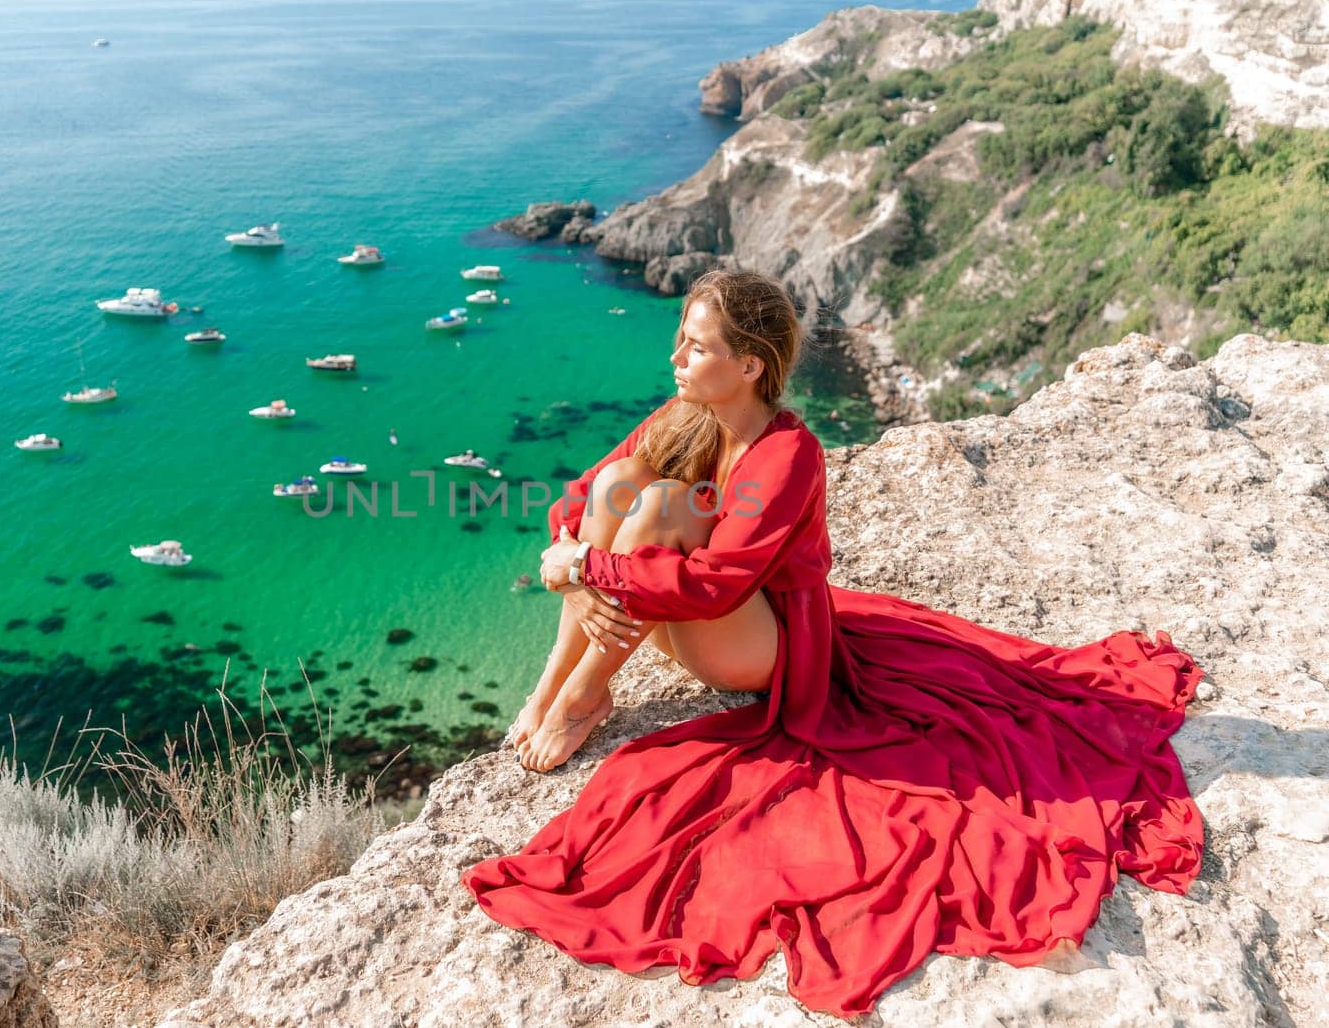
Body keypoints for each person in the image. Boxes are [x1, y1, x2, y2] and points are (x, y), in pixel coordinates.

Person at [463, 269, 1204, 1016]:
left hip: (757, 644)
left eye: (695, 345)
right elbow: (588, 491)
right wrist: (575, 550)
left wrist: (588, 565)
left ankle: (587, 692)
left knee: (655, 503)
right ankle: (552, 688)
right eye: (679, 340)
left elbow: (716, 584)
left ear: (750, 366)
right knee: (627, 478)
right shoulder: (686, 413)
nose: (677, 357)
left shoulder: (789, 454)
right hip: (674, 617)